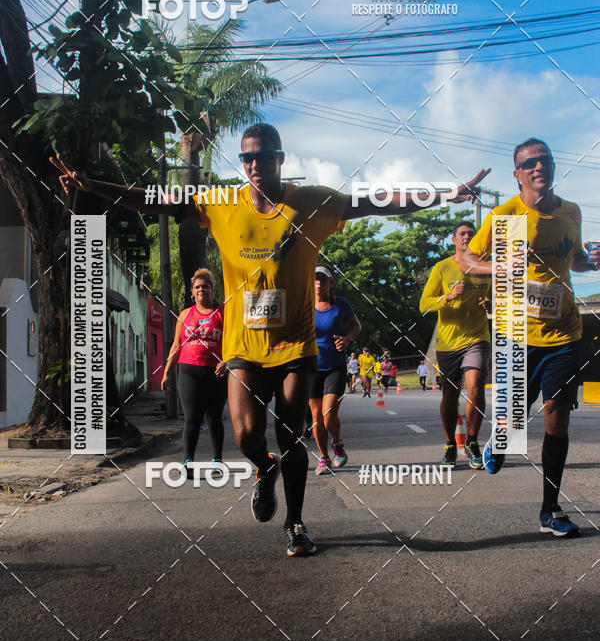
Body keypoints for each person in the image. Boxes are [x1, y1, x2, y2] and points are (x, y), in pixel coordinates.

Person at [51, 128, 487, 556]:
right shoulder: (222, 203)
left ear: (281, 159)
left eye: (264, 156)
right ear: (241, 164)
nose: (255, 164)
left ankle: (295, 524)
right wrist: (95, 187)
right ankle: (264, 467)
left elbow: (378, 201)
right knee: (245, 435)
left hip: (296, 348)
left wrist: (446, 193)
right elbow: (158, 199)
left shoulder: (312, 202)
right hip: (244, 349)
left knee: (292, 434)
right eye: (247, 158)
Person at [460, 137, 599, 535]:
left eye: (546, 160)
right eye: (530, 163)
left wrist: (591, 261)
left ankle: (550, 510)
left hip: (564, 332)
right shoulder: (505, 215)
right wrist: (498, 270)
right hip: (516, 333)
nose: (540, 166)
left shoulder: (571, 212)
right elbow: (468, 260)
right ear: (518, 173)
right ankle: (501, 438)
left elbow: (574, 260)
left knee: (557, 418)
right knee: (515, 421)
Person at [419, 221, 492, 468]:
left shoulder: (487, 267)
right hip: (448, 342)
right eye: (462, 233)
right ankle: (451, 443)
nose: (467, 237)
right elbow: (424, 305)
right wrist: (447, 296)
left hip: (477, 338)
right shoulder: (442, 268)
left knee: (476, 386)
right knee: (449, 395)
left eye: (472, 234)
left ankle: (471, 441)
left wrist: (491, 307)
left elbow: (500, 299)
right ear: (454, 240)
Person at [161, 268, 227, 472]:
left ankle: (217, 459)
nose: (201, 290)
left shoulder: (223, 313)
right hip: (189, 371)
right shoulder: (184, 315)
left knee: (214, 416)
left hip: (215, 373)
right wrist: (166, 372)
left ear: (211, 289)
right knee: (192, 417)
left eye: (205, 286)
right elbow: (176, 346)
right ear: (192, 291)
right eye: (197, 287)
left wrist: (226, 361)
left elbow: (233, 342)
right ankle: (188, 461)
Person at [310, 260, 361, 474]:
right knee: (316, 418)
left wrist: (347, 339)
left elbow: (357, 326)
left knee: (328, 414)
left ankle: (337, 444)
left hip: (335, 366)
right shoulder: (303, 304)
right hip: (311, 367)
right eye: (315, 279)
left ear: (331, 282)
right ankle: (323, 457)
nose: (318, 283)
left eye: (323, 279)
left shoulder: (340, 304)